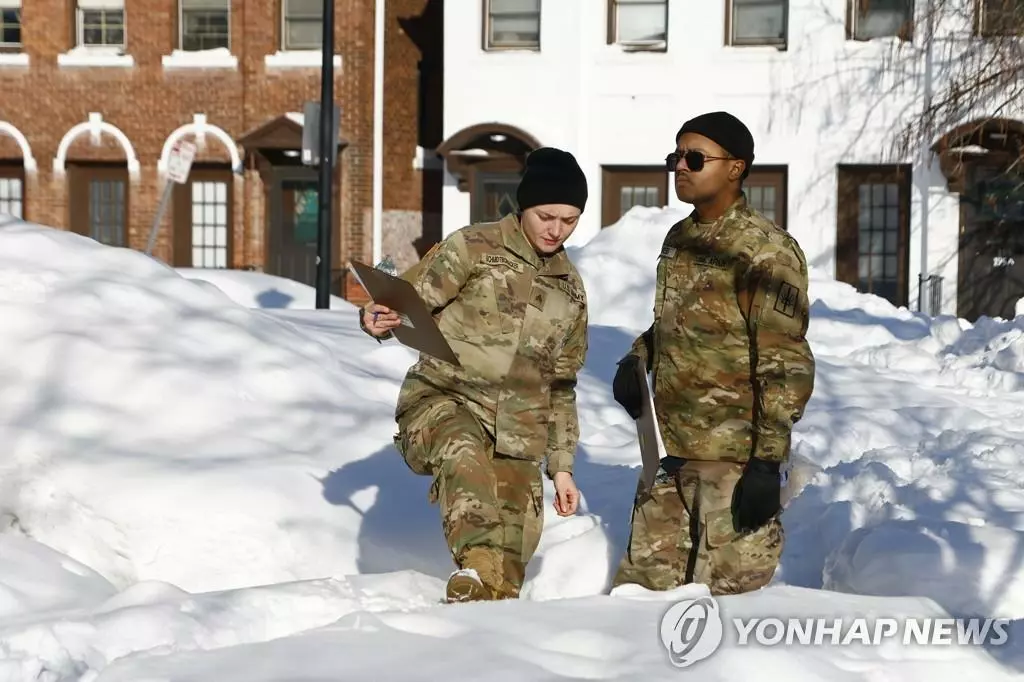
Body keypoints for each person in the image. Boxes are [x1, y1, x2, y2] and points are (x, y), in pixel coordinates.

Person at [360, 147, 590, 603]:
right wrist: (376, 319)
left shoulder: (571, 291)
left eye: (569, 220)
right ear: (524, 205)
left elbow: (562, 388)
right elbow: (404, 303)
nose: (556, 229)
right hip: (443, 400)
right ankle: (476, 575)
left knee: (508, 564)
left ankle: (481, 626)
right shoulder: (473, 247)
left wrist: (561, 469)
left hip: (518, 434)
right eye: (546, 215)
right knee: (463, 453)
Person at [610, 112, 815, 595]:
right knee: (636, 611)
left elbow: (784, 363)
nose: (681, 166)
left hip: (734, 469)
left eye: (695, 158)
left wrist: (766, 464)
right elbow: (679, 321)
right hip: (672, 461)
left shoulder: (766, 252)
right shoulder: (679, 239)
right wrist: (638, 357)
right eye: (675, 157)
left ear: (735, 168)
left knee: (726, 622)